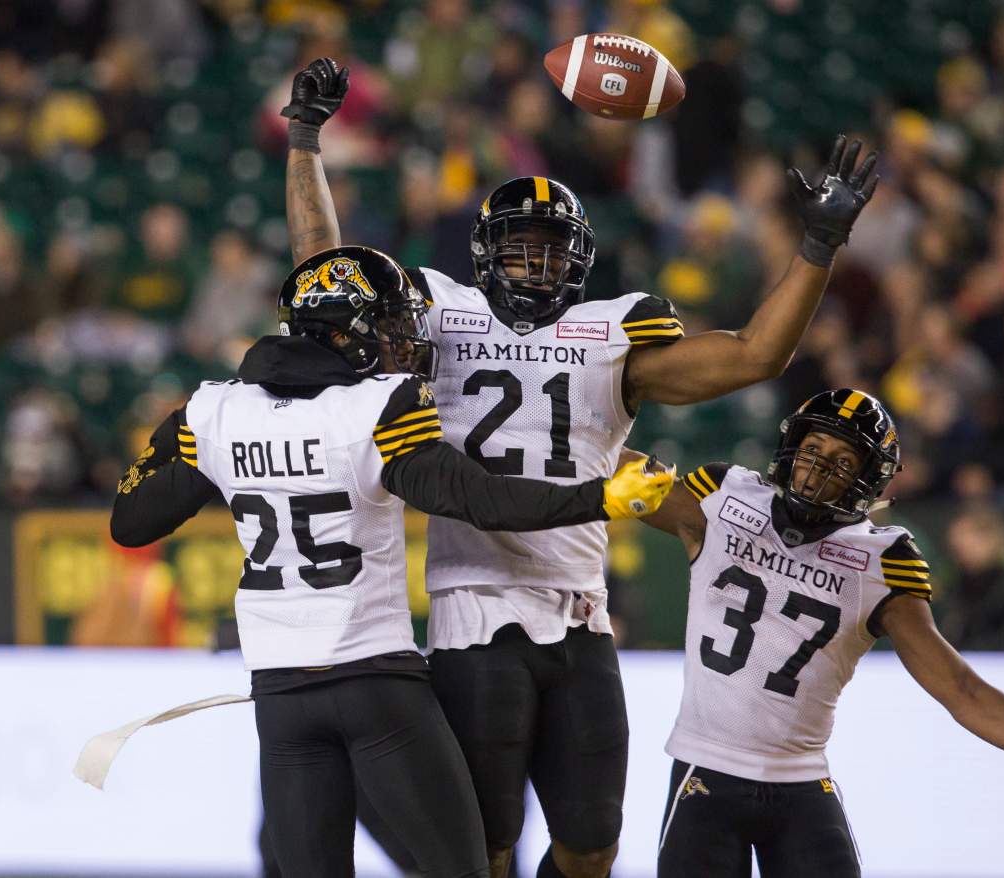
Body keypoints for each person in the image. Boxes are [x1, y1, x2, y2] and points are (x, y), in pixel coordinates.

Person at [280, 58, 878, 878]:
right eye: (518, 249)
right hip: (474, 607)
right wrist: (306, 141)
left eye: (550, 250)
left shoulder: (614, 333)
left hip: (582, 615)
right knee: (484, 851)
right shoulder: (440, 314)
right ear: (484, 254)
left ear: (583, 258)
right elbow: (326, 277)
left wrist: (818, 244)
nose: (534, 265)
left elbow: (753, 356)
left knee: (593, 846)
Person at [109, 245, 673, 878]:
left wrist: (180, 444)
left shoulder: (218, 412)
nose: (404, 341)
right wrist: (599, 497)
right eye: (388, 325)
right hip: (378, 687)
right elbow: (479, 499)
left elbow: (130, 522)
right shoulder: (376, 405)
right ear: (346, 332)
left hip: (282, 700)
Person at [635, 389, 1004, 877]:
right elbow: (602, 467)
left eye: (842, 460)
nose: (819, 467)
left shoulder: (882, 560)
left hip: (801, 782)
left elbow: (958, 687)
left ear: (868, 480)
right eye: (813, 448)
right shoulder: (724, 497)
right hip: (706, 773)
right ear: (791, 448)